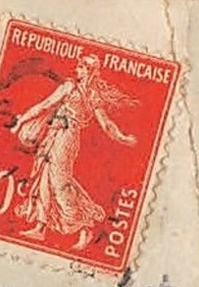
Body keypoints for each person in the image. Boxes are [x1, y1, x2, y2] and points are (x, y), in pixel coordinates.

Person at [11, 54, 138, 251]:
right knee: (45, 177)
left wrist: (122, 137)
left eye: (80, 67)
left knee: (60, 182)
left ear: (88, 71)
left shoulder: (91, 94)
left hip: (67, 138)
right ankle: (40, 227)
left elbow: (106, 124)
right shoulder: (70, 86)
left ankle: (84, 227)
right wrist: (22, 120)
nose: (76, 70)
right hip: (53, 135)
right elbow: (45, 105)